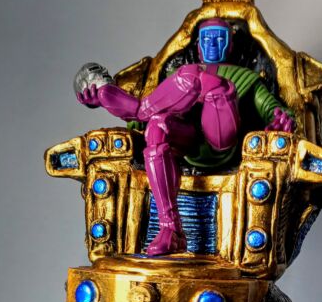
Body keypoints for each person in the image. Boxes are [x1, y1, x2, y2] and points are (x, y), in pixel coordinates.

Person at [76, 18, 294, 256]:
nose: (212, 43)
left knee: (209, 83)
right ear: (198, 45)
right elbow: (140, 124)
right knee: (157, 127)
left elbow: (273, 108)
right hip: (189, 142)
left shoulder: (246, 78)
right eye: (206, 38)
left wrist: (281, 120)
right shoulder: (175, 75)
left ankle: (139, 107)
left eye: (219, 38)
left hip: (222, 139)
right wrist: (103, 99)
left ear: (230, 45)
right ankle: (170, 229)